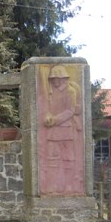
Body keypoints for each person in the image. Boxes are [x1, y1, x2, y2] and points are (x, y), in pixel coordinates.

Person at [43, 65, 82, 195]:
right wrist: (48, 117)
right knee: (52, 158)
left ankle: (69, 186)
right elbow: (49, 109)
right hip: (53, 130)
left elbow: (70, 111)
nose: (54, 81)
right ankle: (52, 187)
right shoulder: (51, 92)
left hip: (66, 130)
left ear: (62, 78)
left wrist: (54, 120)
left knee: (68, 159)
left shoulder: (70, 91)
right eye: (52, 78)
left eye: (56, 78)